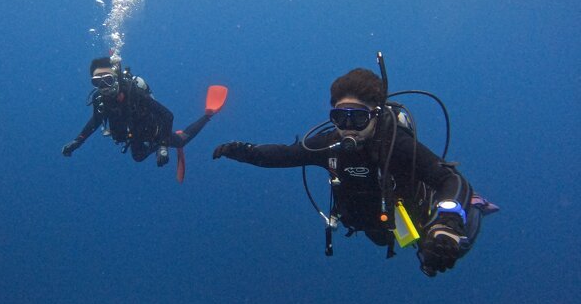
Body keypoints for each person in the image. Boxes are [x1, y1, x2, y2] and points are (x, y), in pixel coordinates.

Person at [212, 66, 497, 276]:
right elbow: (285, 155)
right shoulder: (328, 145)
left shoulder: (396, 144)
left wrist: (447, 223)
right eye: (340, 117)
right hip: (377, 223)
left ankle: (468, 209)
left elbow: (451, 178)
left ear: (375, 114)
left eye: (358, 118)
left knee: (445, 249)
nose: (348, 127)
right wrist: (242, 150)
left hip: (419, 214)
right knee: (385, 239)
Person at [63, 56, 227, 180]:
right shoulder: (99, 100)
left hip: (153, 129)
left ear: (116, 78)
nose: (103, 86)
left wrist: (163, 145)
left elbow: (167, 115)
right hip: (133, 133)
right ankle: (156, 145)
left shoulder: (133, 93)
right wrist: (78, 141)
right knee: (138, 157)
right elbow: (96, 120)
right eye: (97, 82)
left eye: (108, 79)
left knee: (181, 140)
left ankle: (209, 114)